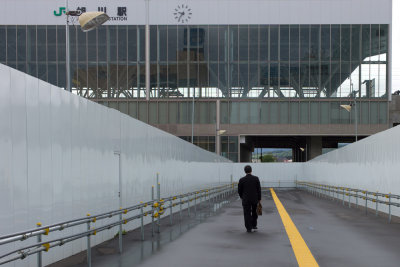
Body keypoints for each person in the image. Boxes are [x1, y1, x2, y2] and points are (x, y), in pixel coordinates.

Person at [238, 165, 261, 233]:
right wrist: (259, 198)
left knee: (247, 213)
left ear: (245, 171)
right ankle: (254, 225)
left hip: (246, 199)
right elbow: (258, 189)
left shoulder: (241, 180)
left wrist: (242, 197)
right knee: (254, 212)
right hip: (254, 199)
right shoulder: (256, 178)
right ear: (251, 170)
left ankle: (248, 228)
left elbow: (239, 190)